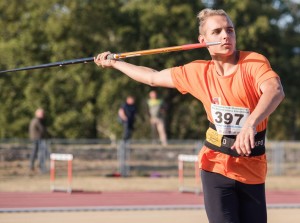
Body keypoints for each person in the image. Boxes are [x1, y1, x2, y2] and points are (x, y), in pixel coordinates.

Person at [95, 8, 285, 223]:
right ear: (202, 40)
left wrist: (250, 123)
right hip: (215, 165)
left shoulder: (253, 62)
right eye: (217, 31)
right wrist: (115, 62)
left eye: (230, 30)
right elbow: (153, 77)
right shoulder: (197, 72)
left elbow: (275, 90)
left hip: (252, 167)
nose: (226, 36)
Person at [29, 108, 48, 174]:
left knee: (35, 153)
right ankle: (41, 167)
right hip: (38, 139)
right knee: (41, 153)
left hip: (37, 139)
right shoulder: (37, 121)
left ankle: (33, 166)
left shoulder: (35, 120)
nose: (43, 115)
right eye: (41, 113)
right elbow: (42, 130)